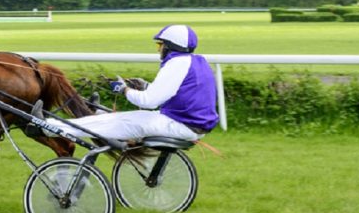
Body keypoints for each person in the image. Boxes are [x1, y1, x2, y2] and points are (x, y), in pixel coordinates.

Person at [30, 24, 219, 142]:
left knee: (114, 123)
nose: (158, 49)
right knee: (115, 119)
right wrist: (144, 86)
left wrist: (124, 90)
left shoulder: (176, 64)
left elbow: (149, 102)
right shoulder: (196, 61)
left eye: (159, 45)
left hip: (180, 125)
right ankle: (92, 115)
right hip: (187, 123)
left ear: (169, 46)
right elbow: (171, 94)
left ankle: (48, 127)